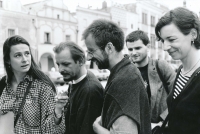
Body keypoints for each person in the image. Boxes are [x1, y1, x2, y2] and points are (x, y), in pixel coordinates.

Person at [82, 19, 151, 134]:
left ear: (109, 48)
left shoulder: (124, 80)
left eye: (91, 51)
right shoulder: (125, 71)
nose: (88, 57)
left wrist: (96, 127)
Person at [0, 35, 66, 133]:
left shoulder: (43, 87)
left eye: (27, 53)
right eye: (18, 55)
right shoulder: (3, 84)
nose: (25, 59)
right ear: (8, 60)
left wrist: (57, 111)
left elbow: (53, 131)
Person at [155, 7, 200, 134]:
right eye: (163, 40)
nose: (165, 47)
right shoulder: (182, 70)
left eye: (171, 39)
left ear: (193, 34)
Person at [125, 30, 176, 128]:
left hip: (161, 126)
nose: (133, 52)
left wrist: (163, 122)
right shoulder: (128, 71)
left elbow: (177, 96)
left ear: (147, 47)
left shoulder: (160, 66)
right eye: (130, 49)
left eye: (138, 48)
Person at [53, 41, 104, 134]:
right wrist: (59, 109)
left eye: (66, 64)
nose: (60, 70)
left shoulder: (89, 90)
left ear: (80, 61)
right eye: (58, 64)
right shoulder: (75, 81)